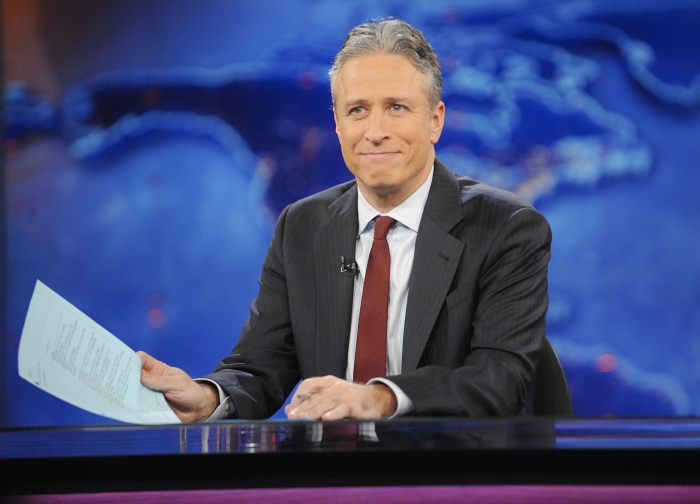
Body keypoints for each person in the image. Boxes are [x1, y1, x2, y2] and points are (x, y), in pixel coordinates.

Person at [138, 18, 551, 422]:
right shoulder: (301, 226)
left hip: (451, 462)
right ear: (337, 123)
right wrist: (208, 396)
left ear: (435, 120)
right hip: (331, 463)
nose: (375, 131)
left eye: (396, 108)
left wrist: (380, 399)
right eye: (357, 110)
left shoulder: (507, 227)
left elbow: (500, 379)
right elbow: (259, 368)